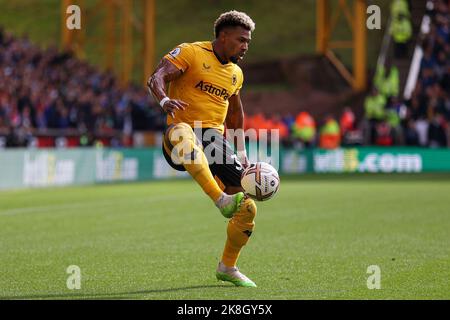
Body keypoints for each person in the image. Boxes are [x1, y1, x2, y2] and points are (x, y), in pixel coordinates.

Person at [147, 11, 258, 287]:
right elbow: (157, 77)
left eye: (248, 42)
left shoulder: (235, 74)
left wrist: (242, 155)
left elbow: (235, 114)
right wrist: (164, 101)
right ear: (223, 36)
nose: (245, 46)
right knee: (184, 132)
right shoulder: (191, 53)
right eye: (241, 40)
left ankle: (228, 267)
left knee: (247, 208)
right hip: (179, 135)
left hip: (214, 142)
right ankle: (220, 200)